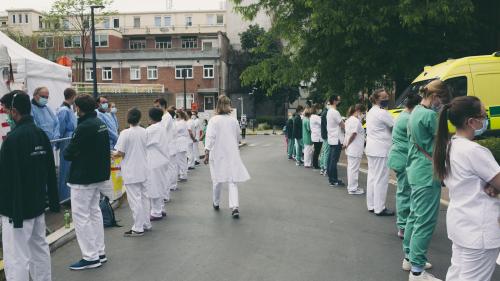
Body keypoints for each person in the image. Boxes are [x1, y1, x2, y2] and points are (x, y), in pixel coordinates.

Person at [433, 96, 500, 281]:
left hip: (462, 224)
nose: (486, 118)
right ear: (471, 122)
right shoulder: (474, 151)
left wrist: (494, 186)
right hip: (480, 229)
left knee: (457, 275)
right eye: (483, 115)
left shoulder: (450, 146)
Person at [0, 91, 60, 281]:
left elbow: (5, 178)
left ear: (14, 111)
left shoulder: (12, 140)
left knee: (16, 257)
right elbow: (50, 170)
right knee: (39, 249)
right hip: (37, 204)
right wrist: (54, 201)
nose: (6, 114)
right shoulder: (40, 134)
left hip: (16, 209)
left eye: (6, 110)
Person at [403, 80, 451, 280]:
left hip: (415, 169)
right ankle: (417, 270)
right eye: (443, 98)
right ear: (436, 96)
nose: (443, 102)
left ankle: (409, 257)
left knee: (414, 216)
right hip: (426, 173)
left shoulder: (414, 112)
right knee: (425, 221)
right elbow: (442, 143)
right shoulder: (431, 115)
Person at [64, 94, 110, 270]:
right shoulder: (100, 124)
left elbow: (69, 152)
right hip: (97, 176)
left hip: (82, 177)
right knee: (94, 213)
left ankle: (90, 257)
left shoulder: (83, 127)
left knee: (81, 216)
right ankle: (99, 251)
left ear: (79, 108)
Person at [204, 95, 250, 219]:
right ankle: (234, 206)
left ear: (217, 105)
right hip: (231, 153)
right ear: (229, 106)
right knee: (232, 180)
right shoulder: (233, 121)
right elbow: (239, 137)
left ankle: (216, 202)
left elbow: (210, 137)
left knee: (217, 180)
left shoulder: (214, 120)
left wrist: (206, 152)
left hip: (217, 153)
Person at [388, 93, 422, 239]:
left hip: (399, 158)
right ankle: (403, 226)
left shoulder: (402, 115)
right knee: (405, 193)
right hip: (404, 160)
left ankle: (404, 225)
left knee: (404, 192)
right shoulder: (408, 119)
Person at [113, 108, 151, 237]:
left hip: (131, 170)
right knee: (145, 198)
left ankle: (138, 228)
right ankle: (146, 223)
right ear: (140, 118)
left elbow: (120, 152)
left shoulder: (125, 133)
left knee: (135, 200)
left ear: (128, 118)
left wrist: (112, 154)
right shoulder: (145, 132)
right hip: (144, 169)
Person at [365, 89, 394, 216]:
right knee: (381, 179)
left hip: (372, 148)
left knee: (372, 177)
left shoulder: (370, 112)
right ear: (377, 99)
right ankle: (379, 208)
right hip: (381, 149)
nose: (387, 98)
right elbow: (395, 125)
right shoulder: (382, 113)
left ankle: (371, 205)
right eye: (384, 97)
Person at [146, 107, 170, 221]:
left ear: (151, 118)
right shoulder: (161, 127)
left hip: (154, 160)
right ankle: (160, 208)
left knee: (153, 186)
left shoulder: (151, 129)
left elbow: (143, 142)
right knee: (160, 184)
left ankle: (156, 212)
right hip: (162, 159)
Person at [56, 88, 78, 201]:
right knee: (65, 169)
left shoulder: (68, 109)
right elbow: (60, 128)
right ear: (73, 96)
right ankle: (64, 197)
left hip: (69, 139)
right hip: (66, 141)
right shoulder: (64, 110)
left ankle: (68, 195)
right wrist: (59, 143)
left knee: (69, 168)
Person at [343, 104, 366, 195]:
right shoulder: (356, 121)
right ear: (358, 111)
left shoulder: (348, 120)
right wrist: (347, 144)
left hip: (351, 148)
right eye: (362, 112)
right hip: (355, 148)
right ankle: (353, 188)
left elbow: (347, 134)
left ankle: (352, 187)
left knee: (351, 168)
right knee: (354, 169)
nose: (363, 114)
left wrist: (345, 145)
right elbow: (353, 134)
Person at [326, 95, 345, 186]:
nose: (339, 101)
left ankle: (331, 178)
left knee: (330, 159)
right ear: (334, 101)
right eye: (338, 100)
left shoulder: (329, 111)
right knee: (334, 160)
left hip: (331, 138)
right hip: (337, 138)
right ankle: (334, 180)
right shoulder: (335, 112)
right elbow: (342, 124)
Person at [175, 110, 190, 182]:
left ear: (179, 115)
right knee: (182, 159)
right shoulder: (183, 122)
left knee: (180, 160)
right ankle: (183, 174)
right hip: (182, 142)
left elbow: (175, 130)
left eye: (177, 115)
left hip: (180, 142)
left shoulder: (181, 123)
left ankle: (183, 175)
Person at [310, 104, 322, 170]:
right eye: (319, 109)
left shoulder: (312, 116)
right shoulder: (316, 117)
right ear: (316, 109)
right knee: (317, 151)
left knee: (316, 151)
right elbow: (322, 123)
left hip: (315, 135)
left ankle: (314, 163)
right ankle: (315, 164)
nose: (319, 110)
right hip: (318, 136)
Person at [319, 102, 330, 175]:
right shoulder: (326, 113)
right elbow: (327, 126)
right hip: (326, 135)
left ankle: (322, 167)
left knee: (323, 151)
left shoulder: (324, 112)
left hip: (323, 134)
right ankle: (325, 168)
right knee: (326, 151)